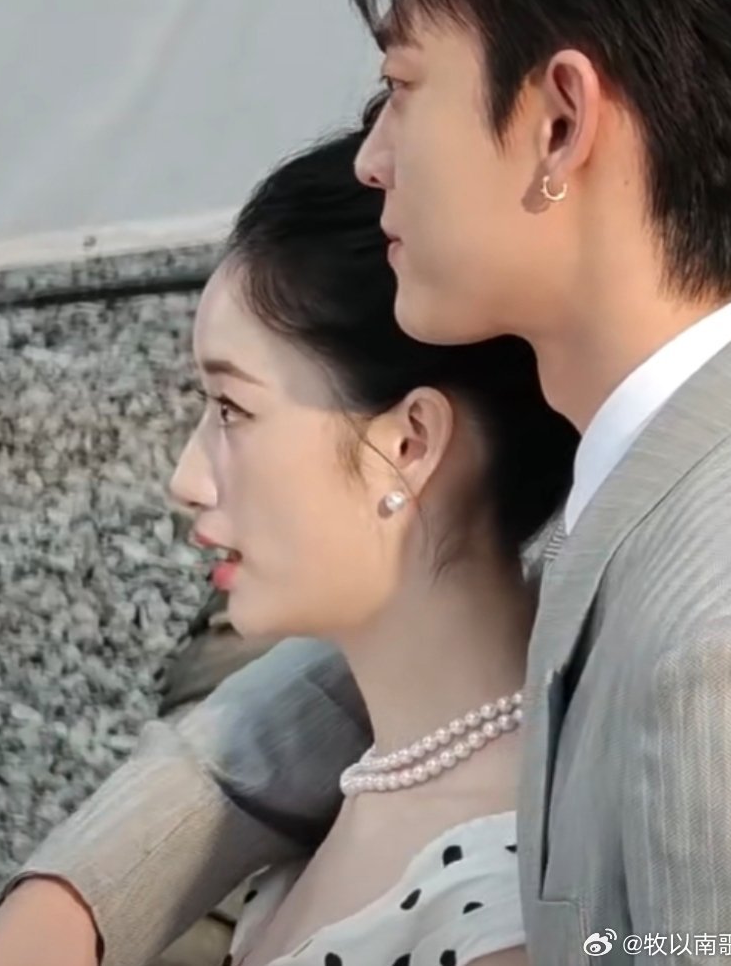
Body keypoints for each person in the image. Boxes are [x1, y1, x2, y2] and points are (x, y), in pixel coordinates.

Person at [0, 0, 731, 963]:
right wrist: (82, 888)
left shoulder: (722, 651)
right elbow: (427, 654)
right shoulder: (648, 482)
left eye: (402, 84)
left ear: (558, 121)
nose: (371, 158)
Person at [167, 124, 575, 966]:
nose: (187, 478)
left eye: (233, 410)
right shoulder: (366, 774)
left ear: (410, 444)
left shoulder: (503, 917)